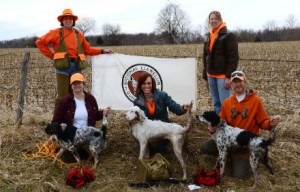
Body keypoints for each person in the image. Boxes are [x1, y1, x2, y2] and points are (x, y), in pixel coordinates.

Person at [200, 70, 281, 179]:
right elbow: (220, 122)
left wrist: (270, 123)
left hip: (245, 143)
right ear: (231, 84)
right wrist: (212, 128)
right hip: (229, 140)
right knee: (205, 147)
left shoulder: (256, 101)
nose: (238, 84)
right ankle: (226, 154)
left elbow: (263, 122)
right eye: (235, 82)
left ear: (245, 82)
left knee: (240, 176)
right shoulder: (227, 102)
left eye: (240, 81)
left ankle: (247, 157)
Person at [36, 8, 113, 111]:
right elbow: (40, 42)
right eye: (65, 18)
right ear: (62, 21)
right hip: (62, 68)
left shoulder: (78, 34)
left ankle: (73, 119)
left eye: (70, 18)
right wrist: (51, 56)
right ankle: (57, 121)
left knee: (76, 95)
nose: (68, 20)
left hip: (76, 68)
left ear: (73, 21)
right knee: (62, 97)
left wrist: (103, 51)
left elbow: (88, 50)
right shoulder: (55, 33)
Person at [52, 72, 110, 162]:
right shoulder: (65, 100)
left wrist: (103, 113)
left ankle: (86, 150)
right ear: (71, 86)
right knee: (69, 159)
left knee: (89, 154)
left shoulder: (91, 99)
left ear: (83, 84)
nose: (77, 85)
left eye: (79, 83)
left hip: (87, 135)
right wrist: (56, 133)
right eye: (74, 83)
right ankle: (73, 152)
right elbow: (56, 120)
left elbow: (95, 116)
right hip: (71, 136)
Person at [133, 72, 193, 155]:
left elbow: (175, 108)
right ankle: (147, 146)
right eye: (144, 83)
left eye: (149, 83)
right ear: (140, 85)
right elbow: (139, 120)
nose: (146, 86)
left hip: (162, 129)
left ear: (153, 84)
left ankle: (161, 146)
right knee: (135, 132)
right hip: (148, 130)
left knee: (160, 151)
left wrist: (183, 108)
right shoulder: (137, 102)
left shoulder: (162, 95)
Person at [202, 11, 239, 115]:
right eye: (211, 19)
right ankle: (219, 125)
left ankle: (227, 126)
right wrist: (205, 76)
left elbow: (233, 57)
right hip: (211, 75)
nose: (213, 20)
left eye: (215, 19)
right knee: (216, 102)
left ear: (220, 20)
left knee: (225, 103)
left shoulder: (229, 35)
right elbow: (205, 57)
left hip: (223, 76)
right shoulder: (207, 36)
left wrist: (228, 76)